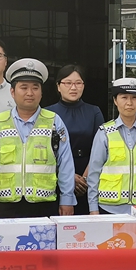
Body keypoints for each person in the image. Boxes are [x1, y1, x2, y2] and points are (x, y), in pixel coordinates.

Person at [0, 58, 76, 219]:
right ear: (12, 92)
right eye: (24, 87)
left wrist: (67, 199)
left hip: (45, 204)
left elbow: (65, 163)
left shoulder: (54, 121)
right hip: (7, 205)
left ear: (41, 92)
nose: (30, 93)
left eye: (35, 88)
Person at [87, 78, 136, 215]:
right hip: (109, 208)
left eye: (134, 98)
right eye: (124, 97)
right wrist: (93, 207)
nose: (129, 103)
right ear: (115, 100)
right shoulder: (105, 132)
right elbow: (94, 172)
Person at [47, 65, 104, 215]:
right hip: (57, 174)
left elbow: (100, 149)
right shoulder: (48, 113)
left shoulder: (94, 112)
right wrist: (68, 176)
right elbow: (45, 151)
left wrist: (84, 179)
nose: (73, 87)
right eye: (68, 83)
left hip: (88, 175)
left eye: (78, 83)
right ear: (58, 86)